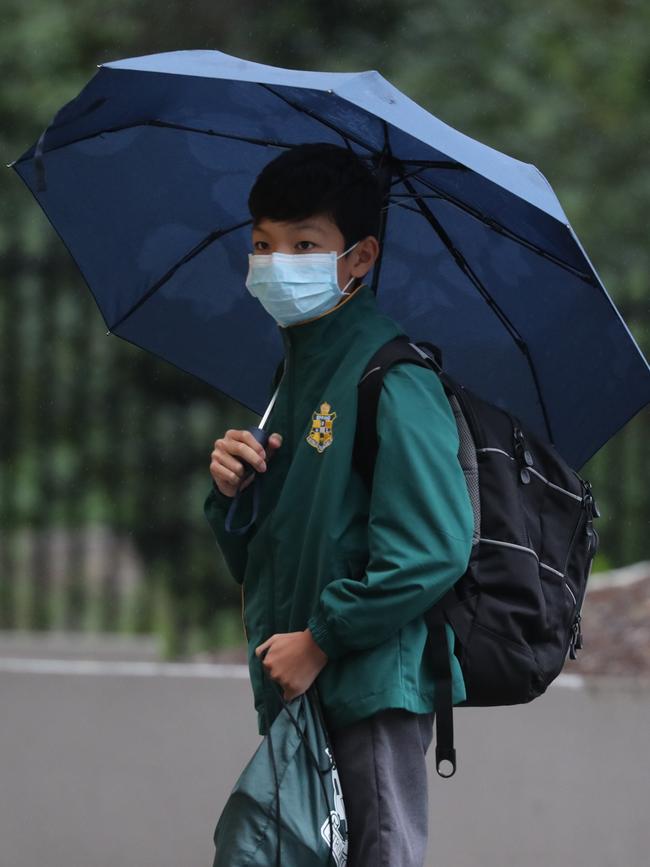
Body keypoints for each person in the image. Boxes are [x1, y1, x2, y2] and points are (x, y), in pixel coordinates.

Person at [204, 142, 475, 867]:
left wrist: (321, 638)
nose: (275, 261)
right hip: (303, 683)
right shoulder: (294, 374)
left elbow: (434, 548)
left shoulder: (393, 375)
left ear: (359, 258)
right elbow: (275, 547)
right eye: (262, 243)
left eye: (304, 244)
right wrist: (233, 491)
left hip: (367, 685)